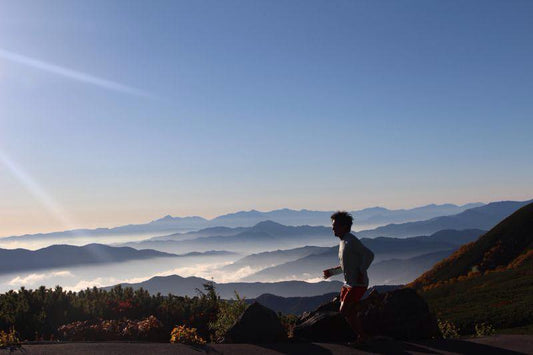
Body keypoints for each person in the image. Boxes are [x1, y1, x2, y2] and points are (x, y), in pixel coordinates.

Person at [323, 211, 374, 342]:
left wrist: (361, 271)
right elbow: (347, 265)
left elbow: (369, 254)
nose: (332, 228)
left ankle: (362, 335)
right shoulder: (343, 242)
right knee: (348, 312)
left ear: (344, 226)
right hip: (348, 283)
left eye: (335, 225)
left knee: (345, 311)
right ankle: (362, 336)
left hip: (357, 283)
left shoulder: (351, 241)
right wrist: (332, 272)